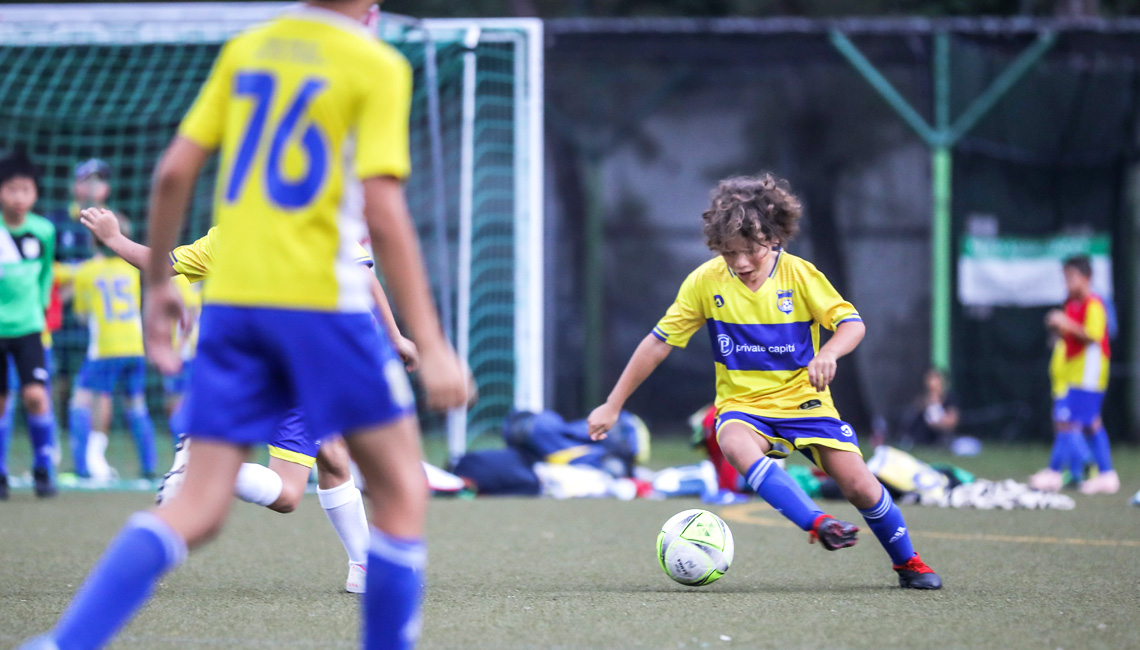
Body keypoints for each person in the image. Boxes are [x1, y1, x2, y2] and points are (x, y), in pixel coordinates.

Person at [18, 1, 468, 648]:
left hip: (235, 316)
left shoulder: (250, 49)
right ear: (368, 7)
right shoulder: (376, 64)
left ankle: (67, 641)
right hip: (319, 308)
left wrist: (154, 290)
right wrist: (430, 342)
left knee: (198, 508)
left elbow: (174, 171)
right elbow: (385, 213)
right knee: (400, 489)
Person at [587, 173, 941, 590]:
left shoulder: (801, 276)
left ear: (775, 237)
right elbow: (658, 343)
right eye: (729, 252)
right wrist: (613, 404)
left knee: (861, 487)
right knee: (732, 440)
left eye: (750, 250)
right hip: (744, 407)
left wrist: (828, 352)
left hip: (806, 404)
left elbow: (851, 324)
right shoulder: (705, 282)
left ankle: (909, 564)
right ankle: (817, 522)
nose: (739, 263)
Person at [81, 205, 418, 593]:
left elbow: (162, 266)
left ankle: (362, 566)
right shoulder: (319, 218)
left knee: (333, 459)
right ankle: (207, 473)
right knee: (304, 487)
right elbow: (363, 278)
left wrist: (115, 238)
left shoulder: (229, 233)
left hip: (253, 365)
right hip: (315, 361)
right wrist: (396, 338)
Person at [67, 214, 157, 480]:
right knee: (137, 404)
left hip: (104, 349)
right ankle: (149, 466)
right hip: (135, 347)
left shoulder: (86, 272)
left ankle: (83, 466)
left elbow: (82, 315)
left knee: (82, 400)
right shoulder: (132, 270)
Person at [1034, 255, 1119, 495]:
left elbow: (1093, 335)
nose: (1068, 283)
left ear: (1087, 278)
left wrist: (1065, 323)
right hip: (1075, 371)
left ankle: (1057, 471)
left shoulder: (1094, 303)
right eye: (1065, 277)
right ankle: (1105, 474)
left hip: (1090, 371)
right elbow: (1070, 337)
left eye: (1072, 277)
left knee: (1066, 420)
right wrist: (1058, 328)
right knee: (1090, 423)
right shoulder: (1072, 304)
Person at [0, 151, 58, 499]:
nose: (19, 197)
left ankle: (42, 466)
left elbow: (46, 271)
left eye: (26, 190)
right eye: (11, 189)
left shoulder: (44, 231)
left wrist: (41, 306)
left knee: (36, 396)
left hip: (29, 328)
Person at [901, 368, 959, 447]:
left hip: (940, 433)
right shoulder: (922, 399)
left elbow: (952, 421)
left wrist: (938, 422)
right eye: (929, 379)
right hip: (923, 435)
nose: (931, 383)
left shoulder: (949, 399)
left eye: (935, 379)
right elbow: (911, 417)